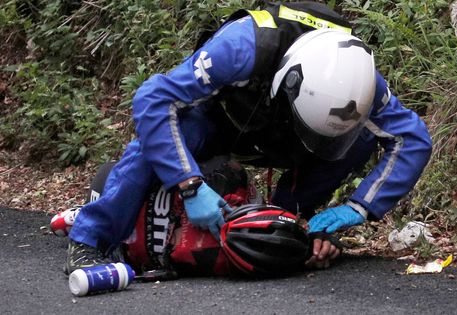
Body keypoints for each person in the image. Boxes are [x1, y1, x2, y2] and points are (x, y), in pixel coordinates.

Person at [65, 1, 432, 273]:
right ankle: (88, 239)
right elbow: (153, 100)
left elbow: (412, 139)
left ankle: (286, 225)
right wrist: (190, 185)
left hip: (286, 137)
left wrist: (357, 208)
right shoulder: (241, 47)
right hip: (222, 120)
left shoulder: (363, 82)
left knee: (362, 138)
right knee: (164, 135)